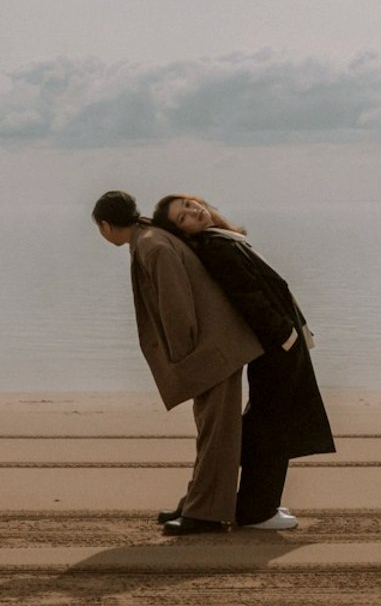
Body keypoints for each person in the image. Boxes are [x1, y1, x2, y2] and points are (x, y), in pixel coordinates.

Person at [153, 193, 336, 529]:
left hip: (276, 342)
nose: (195, 212)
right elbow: (247, 295)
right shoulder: (216, 246)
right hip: (275, 345)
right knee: (273, 425)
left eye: (191, 205)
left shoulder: (222, 238)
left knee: (268, 423)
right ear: (183, 232)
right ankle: (256, 511)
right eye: (183, 217)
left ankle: (245, 503)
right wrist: (285, 335)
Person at [92, 191, 263, 536]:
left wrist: (184, 359)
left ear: (106, 227)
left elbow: (176, 304)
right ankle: (198, 503)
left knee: (218, 433)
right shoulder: (149, 236)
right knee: (211, 429)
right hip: (216, 344)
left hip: (212, 350)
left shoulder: (152, 244)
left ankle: (208, 515)